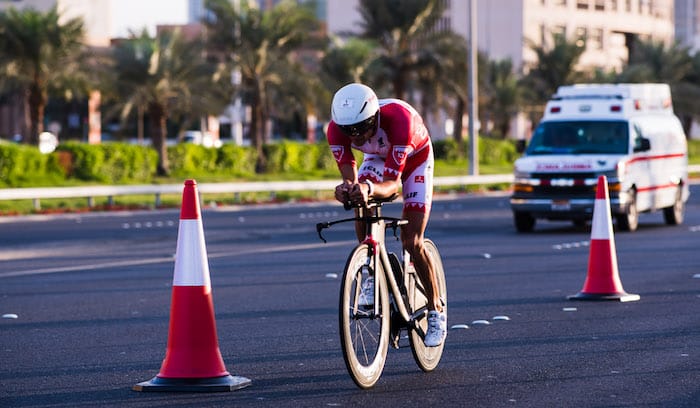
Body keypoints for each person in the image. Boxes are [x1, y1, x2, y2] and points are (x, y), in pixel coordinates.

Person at [326, 83, 446, 347]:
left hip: (415, 159)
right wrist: (348, 189)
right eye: (349, 132)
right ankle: (371, 269)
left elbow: (392, 185)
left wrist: (369, 188)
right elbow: (349, 176)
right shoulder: (336, 129)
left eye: (360, 129)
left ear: (374, 118)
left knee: (411, 241)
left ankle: (436, 309)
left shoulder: (399, 120)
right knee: (360, 196)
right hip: (378, 158)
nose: (355, 138)